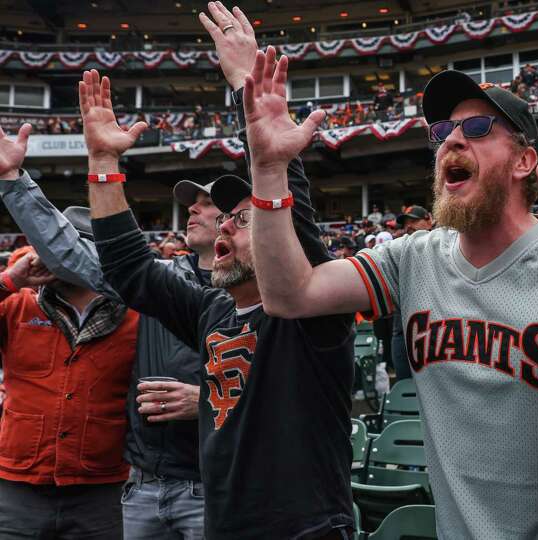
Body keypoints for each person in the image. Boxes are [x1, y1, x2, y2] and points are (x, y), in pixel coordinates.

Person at [240, 38, 538, 536]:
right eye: (442, 130)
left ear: (524, 162)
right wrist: (269, 172)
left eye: (478, 128)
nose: (450, 141)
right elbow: (290, 294)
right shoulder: (411, 258)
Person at [93, 11, 356, 539]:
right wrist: (102, 162)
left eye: (242, 218)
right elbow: (129, 266)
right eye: (226, 219)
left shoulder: (314, 312)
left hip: (305, 529)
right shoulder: (212, 308)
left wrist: (244, 87)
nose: (226, 229)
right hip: (225, 525)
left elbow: (298, 226)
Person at [0, 126, 215, 538]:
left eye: (210, 205)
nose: (192, 210)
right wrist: (8, 279)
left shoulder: (142, 309)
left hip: (126, 489)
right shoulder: (18, 302)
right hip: (42, 486)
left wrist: (205, 400)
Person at [0, 205, 138, 538]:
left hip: (101, 488)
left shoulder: (138, 315)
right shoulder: (18, 303)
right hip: (18, 483)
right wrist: (10, 280)